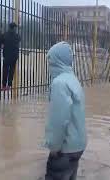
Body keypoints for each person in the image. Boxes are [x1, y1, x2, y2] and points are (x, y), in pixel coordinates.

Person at [45, 42, 87, 180]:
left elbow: (59, 120)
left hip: (65, 148)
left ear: (57, 61)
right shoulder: (73, 80)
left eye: (51, 61)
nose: (49, 66)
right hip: (78, 146)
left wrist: (54, 147)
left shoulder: (59, 83)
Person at [0, 22, 21, 90]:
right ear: (14, 28)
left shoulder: (5, 34)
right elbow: (19, 39)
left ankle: (4, 85)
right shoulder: (16, 35)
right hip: (14, 56)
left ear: (9, 27)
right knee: (11, 71)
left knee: (5, 70)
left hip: (7, 55)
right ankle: (9, 85)